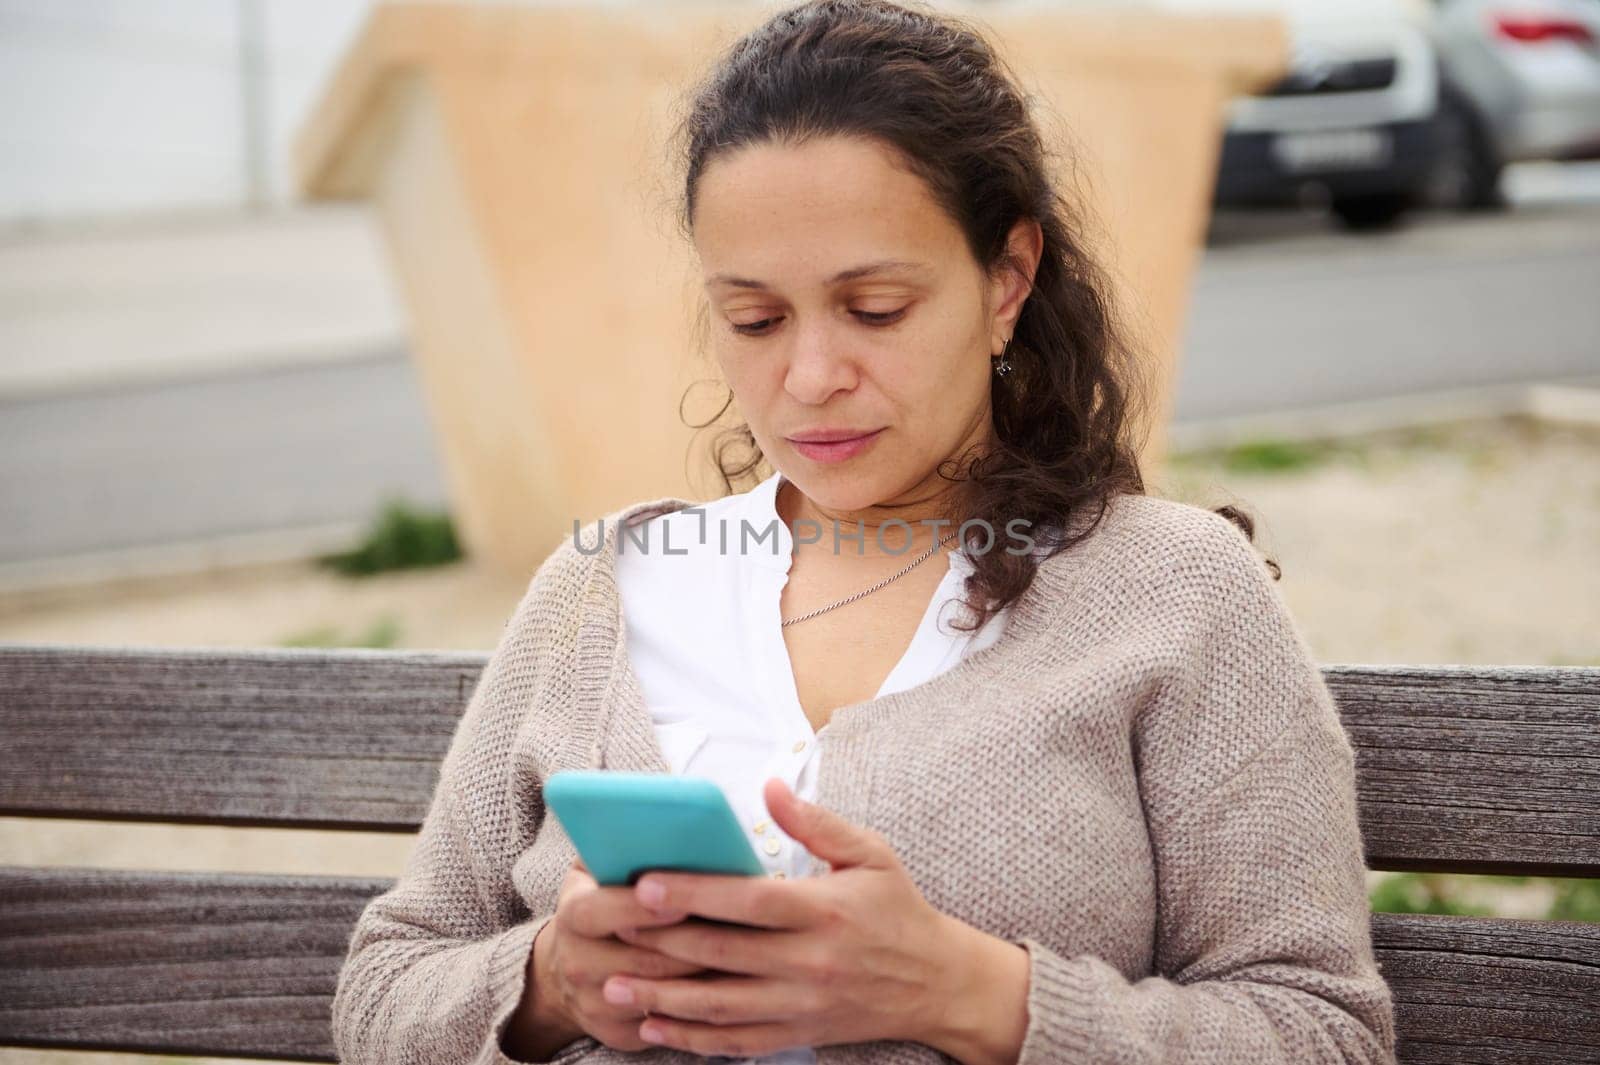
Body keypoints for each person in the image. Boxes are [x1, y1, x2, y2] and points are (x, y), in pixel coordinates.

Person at [329, 1, 1398, 1063]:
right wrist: (551, 985)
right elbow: (386, 985)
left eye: (875, 308)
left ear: (1007, 281)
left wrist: (971, 994)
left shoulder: (1172, 593)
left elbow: (1320, 1032)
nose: (807, 378)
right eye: (752, 319)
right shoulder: (605, 585)